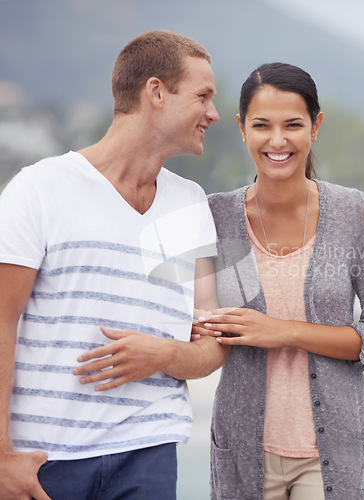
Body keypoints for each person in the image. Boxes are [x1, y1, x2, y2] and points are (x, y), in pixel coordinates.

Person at [0, 30, 227, 500]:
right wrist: (1, 457)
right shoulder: (40, 189)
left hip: (149, 450)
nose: (214, 113)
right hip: (43, 458)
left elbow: (211, 343)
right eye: (203, 96)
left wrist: (162, 355)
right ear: (156, 92)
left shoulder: (189, 203)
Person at [192, 62, 364, 499]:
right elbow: (189, 318)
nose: (277, 141)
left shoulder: (357, 215)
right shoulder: (215, 218)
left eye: (293, 125)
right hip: (243, 448)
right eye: (261, 125)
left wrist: (281, 332)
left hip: (332, 454)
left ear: (315, 126)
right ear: (241, 128)